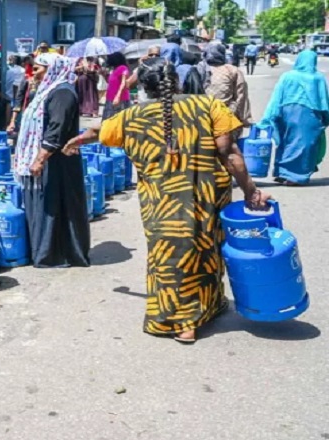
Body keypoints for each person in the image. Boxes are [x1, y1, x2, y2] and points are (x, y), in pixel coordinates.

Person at [65, 57, 271, 343]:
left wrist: (77, 141)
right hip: (208, 197)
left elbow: (98, 132)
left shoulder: (130, 117)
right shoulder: (208, 105)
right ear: (176, 80)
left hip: (163, 204)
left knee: (169, 256)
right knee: (207, 250)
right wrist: (251, 190)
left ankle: (181, 320)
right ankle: (204, 308)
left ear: (146, 88)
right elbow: (229, 151)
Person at [14, 54, 90, 268]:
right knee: (46, 204)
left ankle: (56, 254)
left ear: (53, 69)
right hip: (51, 157)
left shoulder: (62, 93)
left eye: (38, 69)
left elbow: (56, 129)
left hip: (57, 160)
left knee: (55, 205)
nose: (34, 73)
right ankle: (43, 250)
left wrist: (40, 159)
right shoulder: (49, 90)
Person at [259, 50, 329, 186]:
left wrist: (271, 115)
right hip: (310, 114)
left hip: (286, 112)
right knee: (305, 144)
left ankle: (282, 172)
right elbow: (324, 100)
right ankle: (295, 176)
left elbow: (276, 97)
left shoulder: (287, 76)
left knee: (286, 141)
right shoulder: (317, 78)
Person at [200, 43, 251, 131]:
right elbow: (241, 96)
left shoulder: (199, 69)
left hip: (201, 116)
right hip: (226, 116)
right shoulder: (232, 70)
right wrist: (245, 119)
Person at [103, 52, 131, 120]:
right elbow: (110, 82)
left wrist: (117, 96)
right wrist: (103, 74)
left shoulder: (123, 68)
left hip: (120, 99)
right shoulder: (114, 70)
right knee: (108, 119)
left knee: (118, 120)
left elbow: (123, 83)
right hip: (110, 98)